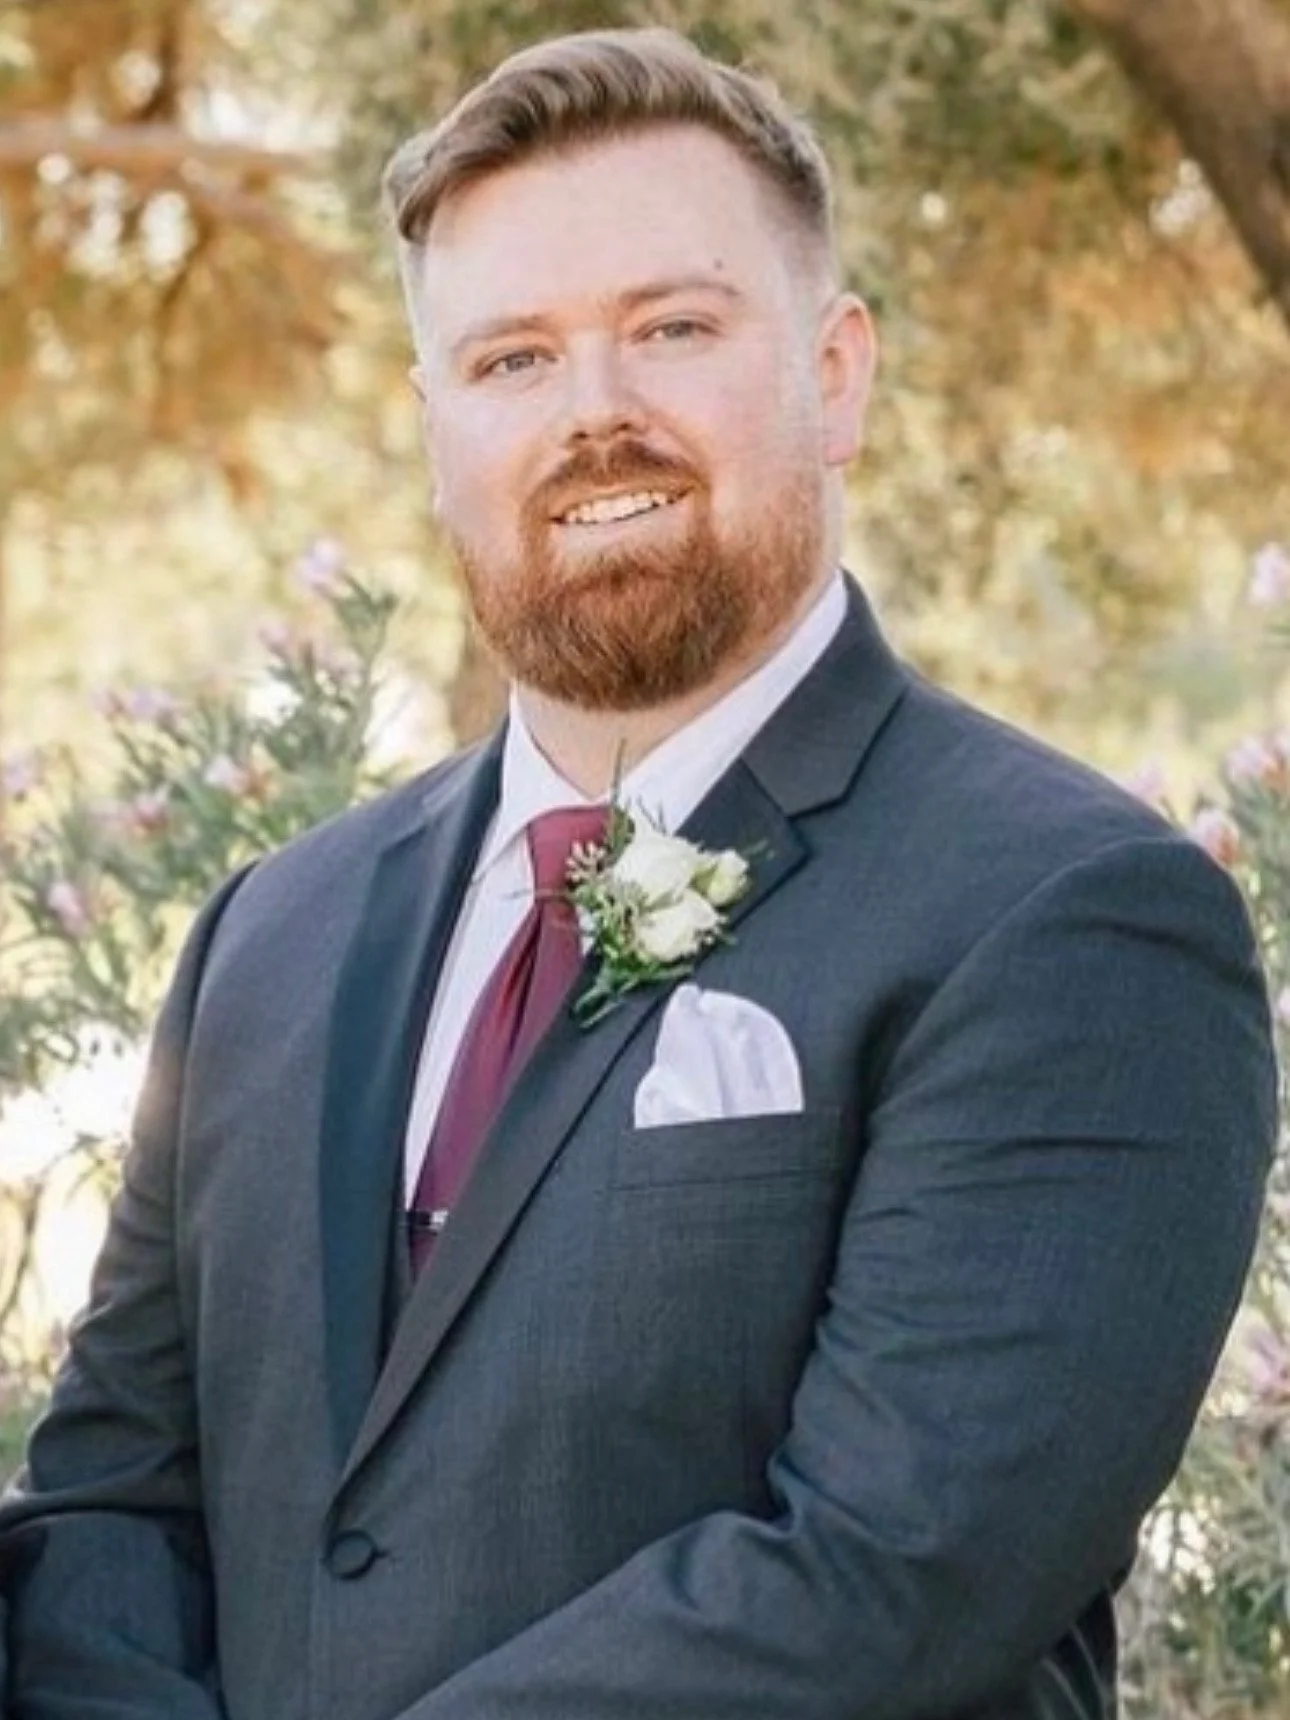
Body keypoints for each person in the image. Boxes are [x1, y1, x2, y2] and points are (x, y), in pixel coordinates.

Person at [0, 26, 1276, 1719]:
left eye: (671, 329)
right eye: (511, 358)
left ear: (834, 374)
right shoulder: (271, 936)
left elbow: (890, 1571)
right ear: (435, 425)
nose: (593, 414)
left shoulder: (1068, 918)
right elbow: (108, 1506)